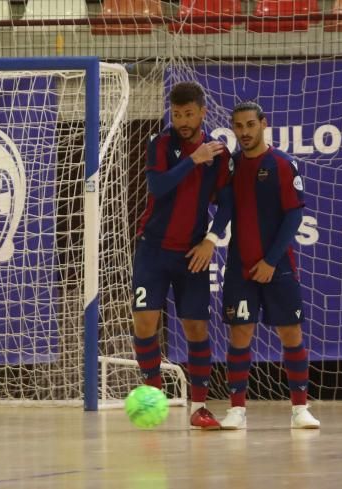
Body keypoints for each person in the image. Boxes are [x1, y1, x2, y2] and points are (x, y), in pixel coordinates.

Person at [132, 82, 231, 430]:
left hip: (192, 254)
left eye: (189, 114)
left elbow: (227, 203)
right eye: (176, 115)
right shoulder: (160, 144)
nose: (182, 121)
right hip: (153, 250)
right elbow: (158, 187)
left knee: (195, 328)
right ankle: (153, 395)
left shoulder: (218, 153)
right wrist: (193, 159)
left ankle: (200, 407)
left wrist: (211, 240)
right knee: (144, 323)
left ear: (203, 112)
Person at [218, 102, 319, 430]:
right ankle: (237, 409)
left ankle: (300, 409)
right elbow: (223, 210)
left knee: (291, 334)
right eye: (238, 126)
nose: (245, 132)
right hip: (240, 268)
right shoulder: (231, 166)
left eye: (250, 124)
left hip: (278, 267)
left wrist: (270, 261)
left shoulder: (282, 164)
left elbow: (293, 216)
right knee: (240, 333)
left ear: (263, 123)